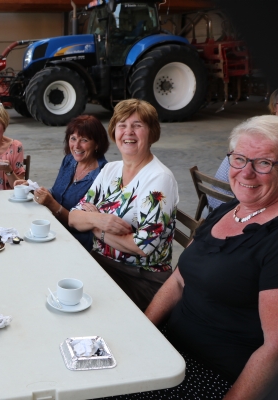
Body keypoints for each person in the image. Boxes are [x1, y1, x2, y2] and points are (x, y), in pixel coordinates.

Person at [104, 115, 278, 399]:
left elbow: (274, 348)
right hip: (170, 349)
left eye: (263, 163)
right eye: (239, 159)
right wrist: (142, 334)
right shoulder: (227, 210)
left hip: (213, 375)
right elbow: (178, 280)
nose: (246, 173)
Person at [68, 99, 178, 311]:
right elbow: (73, 217)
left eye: (137, 125)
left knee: (77, 305)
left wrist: (96, 228)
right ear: (114, 131)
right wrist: (99, 219)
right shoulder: (110, 170)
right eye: (122, 125)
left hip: (140, 277)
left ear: (151, 132)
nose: (128, 132)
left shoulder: (158, 179)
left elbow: (143, 246)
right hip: (102, 263)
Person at [14, 115, 109, 249]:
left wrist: (51, 204)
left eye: (84, 140)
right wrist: (32, 188)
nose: (76, 146)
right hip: (53, 228)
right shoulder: (69, 160)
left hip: (77, 242)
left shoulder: (103, 175)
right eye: (73, 138)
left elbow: (84, 223)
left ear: (97, 144)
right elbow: (56, 193)